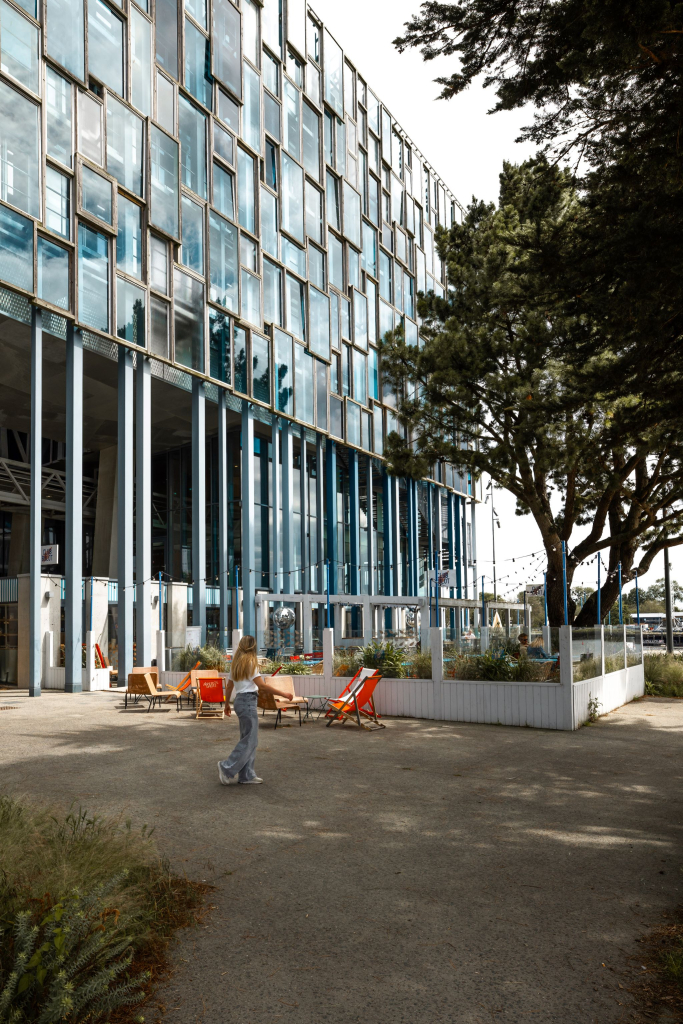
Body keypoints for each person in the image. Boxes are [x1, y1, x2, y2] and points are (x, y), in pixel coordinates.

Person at [217, 635, 294, 786]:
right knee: (250, 740)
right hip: (247, 701)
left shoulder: (236, 664)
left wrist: (226, 704)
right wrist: (284, 694)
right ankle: (226, 767)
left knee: (247, 738)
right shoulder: (251, 663)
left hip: (240, 701)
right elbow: (262, 686)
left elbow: (230, 686)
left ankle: (246, 775)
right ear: (253, 647)